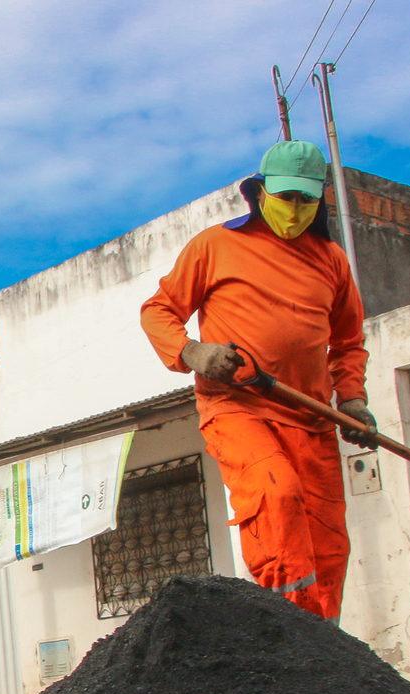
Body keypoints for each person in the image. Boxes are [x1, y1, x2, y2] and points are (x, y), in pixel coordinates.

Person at [141, 140, 376, 623]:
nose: (295, 209)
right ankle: (288, 635)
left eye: (306, 200)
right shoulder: (216, 246)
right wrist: (194, 351)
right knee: (275, 495)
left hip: (313, 420)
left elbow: (348, 341)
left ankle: (327, 651)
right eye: (286, 197)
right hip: (239, 408)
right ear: (260, 192)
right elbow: (158, 311)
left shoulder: (331, 260)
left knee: (328, 543)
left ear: (320, 200)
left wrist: (351, 399)